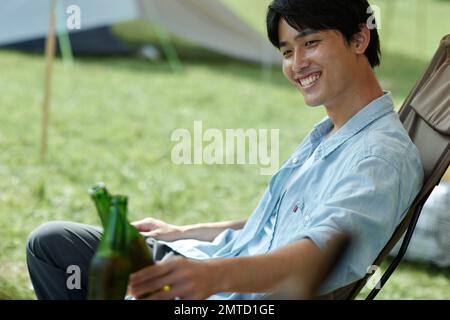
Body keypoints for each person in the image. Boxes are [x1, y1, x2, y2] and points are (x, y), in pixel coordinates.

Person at [26, 0, 423, 300]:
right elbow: (279, 225)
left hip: (223, 291)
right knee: (52, 243)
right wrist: (183, 232)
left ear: (359, 37)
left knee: (60, 254)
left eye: (311, 43)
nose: (297, 64)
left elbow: (315, 256)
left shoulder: (379, 158)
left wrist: (212, 277)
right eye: (287, 51)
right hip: (208, 264)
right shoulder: (336, 132)